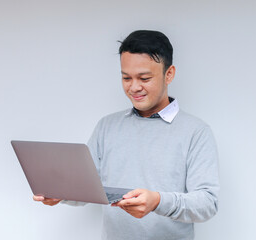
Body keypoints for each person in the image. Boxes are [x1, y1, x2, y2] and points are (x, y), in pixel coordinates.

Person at [33, 30, 220, 240]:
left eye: (145, 78)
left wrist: (158, 201)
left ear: (169, 74)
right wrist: (62, 193)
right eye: (126, 78)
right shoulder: (107, 126)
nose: (134, 87)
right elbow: (86, 187)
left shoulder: (196, 132)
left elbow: (207, 203)